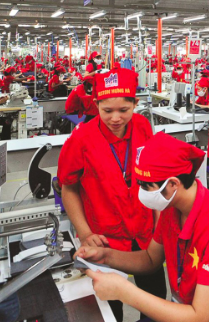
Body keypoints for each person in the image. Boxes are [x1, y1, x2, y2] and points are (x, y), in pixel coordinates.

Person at [74, 132, 209, 322]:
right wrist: (106, 256)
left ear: (173, 183)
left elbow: (200, 317)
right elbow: (150, 259)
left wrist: (125, 292)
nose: (141, 192)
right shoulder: (172, 208)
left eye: (146, 186)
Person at [57, 68, 166, 321]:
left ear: (135, 104)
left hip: (144, 235)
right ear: (96, 104)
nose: (115, 118)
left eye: (124, 110)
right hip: (104, 241)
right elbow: (69, 188)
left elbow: (153, 178)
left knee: (155, 302)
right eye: (107, 111)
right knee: (109, 310)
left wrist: (160, 226)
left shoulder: (143, 126)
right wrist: (85, 234)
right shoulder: (81, 139)